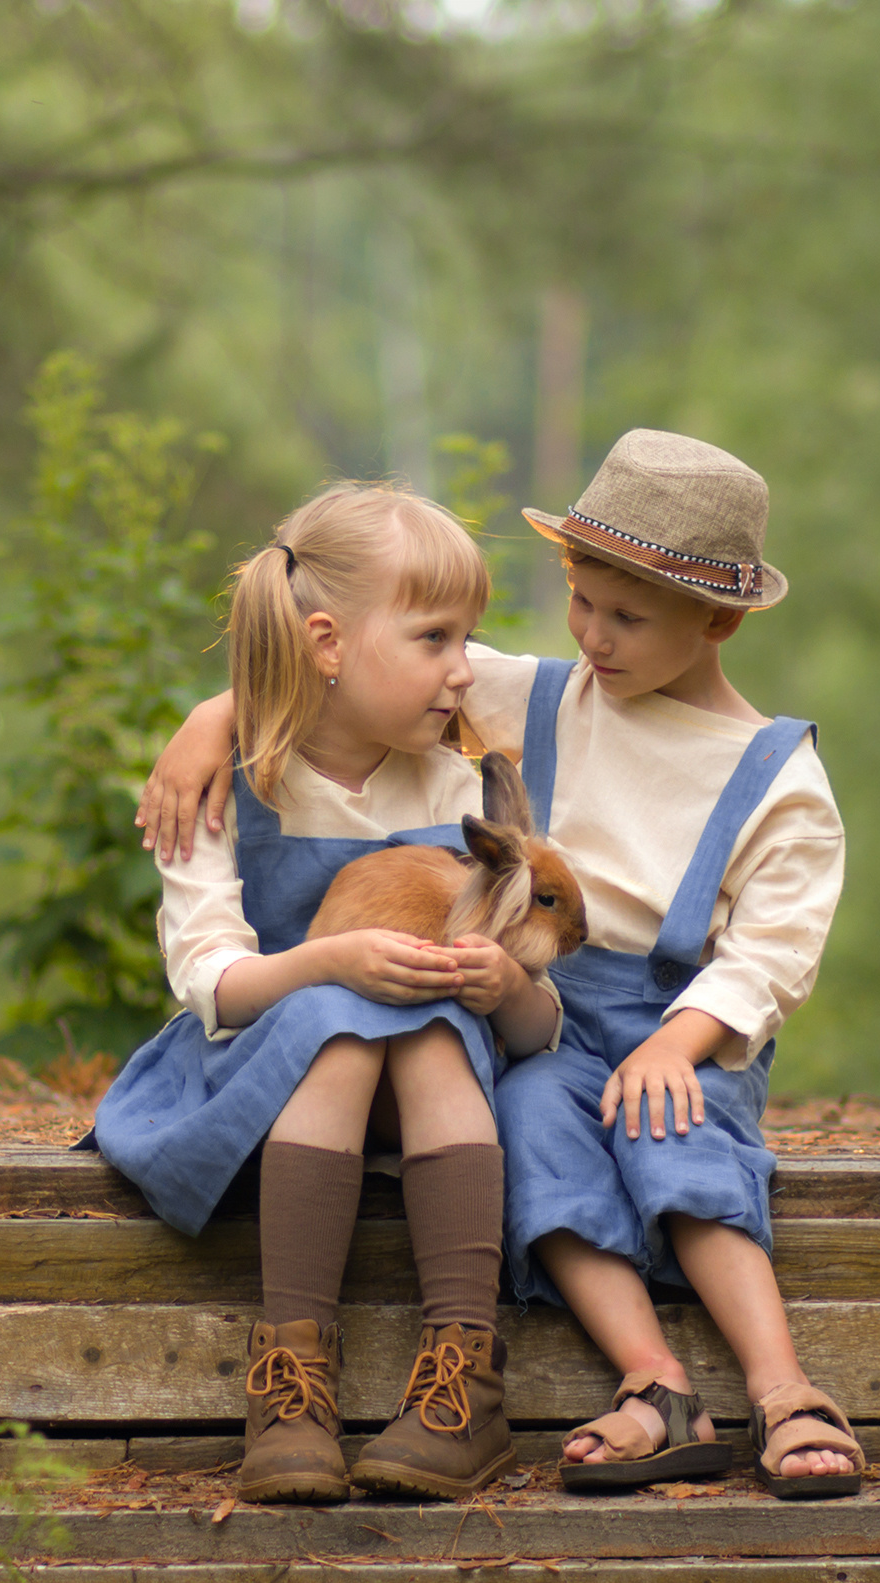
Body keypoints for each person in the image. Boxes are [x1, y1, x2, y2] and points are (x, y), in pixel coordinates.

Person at [138, 432, 865, 1498]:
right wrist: (215, 717)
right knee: (535, 1131)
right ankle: (653, 1380)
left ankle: (782, 1386)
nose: (592, 636)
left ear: (719, 620)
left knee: (678, 1138)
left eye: (626, 617)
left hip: (674, 1025)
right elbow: (345, 669)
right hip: (534, 1017)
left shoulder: (777, 775)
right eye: (580, 602)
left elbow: (769, 954)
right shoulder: (542, 696)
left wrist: (679, 1039)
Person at [93, 482, 561, 1507]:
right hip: (262, 1070)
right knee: (344, 1026)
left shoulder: (459, 788)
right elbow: (213, 984)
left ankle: (461, 1380)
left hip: (431, 1079)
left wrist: (504, 982)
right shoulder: (235, 788)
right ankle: (293, 1385)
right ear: (326, 642)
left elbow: (534, 1027)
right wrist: (330, 964)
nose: (463, 668)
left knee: (432, 1023)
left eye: (468, 639)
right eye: (435, 638)